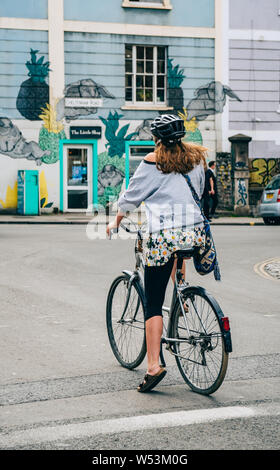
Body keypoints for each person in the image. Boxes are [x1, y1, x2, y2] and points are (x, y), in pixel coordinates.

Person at [106, 114, 207, 393]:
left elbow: (130, 197)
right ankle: (183, 295)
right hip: (194, 233)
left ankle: (153, 366)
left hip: (162, 235)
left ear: (156, 139)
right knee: (178, 253)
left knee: (152, 301)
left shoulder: (153, 162)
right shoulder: (196, 159)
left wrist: (115, 221)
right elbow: (196, 193)